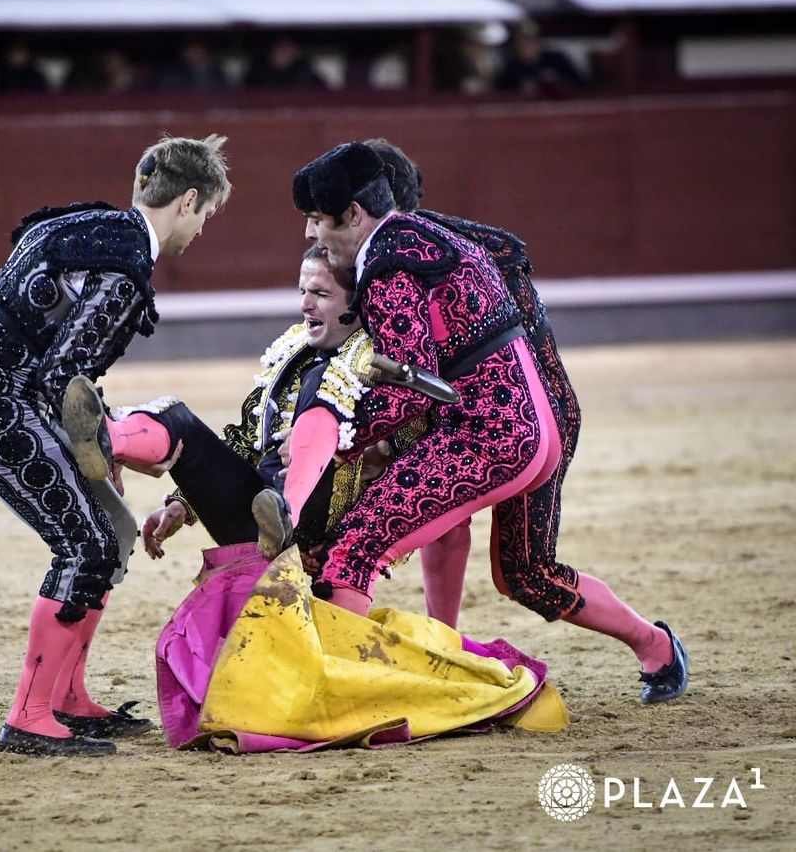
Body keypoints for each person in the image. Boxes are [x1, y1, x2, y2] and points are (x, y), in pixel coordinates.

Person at [282, 142, 687, 705]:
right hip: (534, 420)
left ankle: (333, 698)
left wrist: (339, 437)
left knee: (354, 550)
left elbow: (408, 384)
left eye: (317, 220)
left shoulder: (387, 263)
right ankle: (651, 647)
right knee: (514, 569)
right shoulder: (444, 238)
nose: (310, 234)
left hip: (489, 433)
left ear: (354, 214)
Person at [0, 135, 231, 756]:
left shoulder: (92, 225)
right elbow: (60, 378)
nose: (202, 228)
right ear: (186, 201)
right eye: (205, 214)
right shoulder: (127, 269)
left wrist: (93, 452)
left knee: (114, 531)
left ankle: (67, 698)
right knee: (89, 543)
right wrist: (92, 452)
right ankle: (28, 716)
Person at [62, 244, 429, 565]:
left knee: (321, 393)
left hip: (316, 532)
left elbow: (414, 439)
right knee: (179, 420)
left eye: (321, 293)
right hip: (256, 514)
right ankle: (112, 438)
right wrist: (183, 504)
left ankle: (288, 516)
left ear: (356, 302)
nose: (304, 304)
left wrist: (364, 457)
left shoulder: (382, 360)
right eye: (303, 291)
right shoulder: (297, 348)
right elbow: (246, 438)